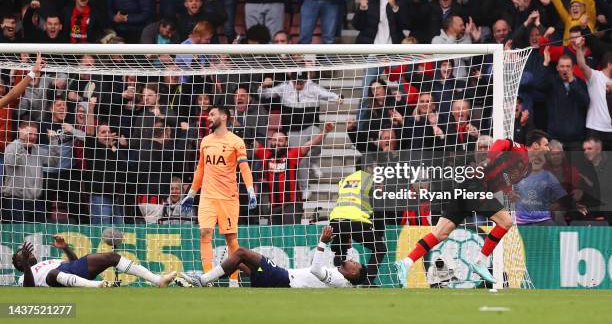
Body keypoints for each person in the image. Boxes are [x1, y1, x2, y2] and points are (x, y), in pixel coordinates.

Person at [395, 131, 551, 287]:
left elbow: (503, 179)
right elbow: (502, 143)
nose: (548, 149)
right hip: (475, 185)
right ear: (535, 146)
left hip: (471, 189)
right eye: (546, 145)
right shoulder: (520, 151)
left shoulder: (527, 169)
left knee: (441, 233)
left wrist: (508, 191)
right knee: (506, 222)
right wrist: (488, 159)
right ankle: (480, 262)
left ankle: (406, 262)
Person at [180, 105, 256, 287]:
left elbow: (244, 167)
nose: (208, 117)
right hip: (207, 196)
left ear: (223, 117)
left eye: (212, 114)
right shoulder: (205, 141)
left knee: (230, 238)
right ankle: (207, 279)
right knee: (205, 232)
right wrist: (192, 193)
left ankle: (233, 280)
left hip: (228, 197)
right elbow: (200, 169)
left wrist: (251, 190)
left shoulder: (236, 141)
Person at [181, 226, 367, 288]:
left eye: (355, 264)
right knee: (240, 264)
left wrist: (322, 241)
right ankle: (205, 281)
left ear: (353, 274)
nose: (352, 260)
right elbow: (339, 258)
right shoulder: (340, 275)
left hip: (282, 278)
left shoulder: (340, 280)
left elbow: (316, 269)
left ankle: (202, 281)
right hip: (279, 279)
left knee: (241, 253)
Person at [12, 236, 175, 288]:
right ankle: (97, 285)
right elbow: (29, 288)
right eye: (22, 254)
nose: (27, 253)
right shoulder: (23, 277)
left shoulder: (49, 260)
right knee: (54, 273)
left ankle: (158, 280)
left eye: (27, 251)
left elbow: (74, 265)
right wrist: (26, 264)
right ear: (19, 264)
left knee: (111, 256)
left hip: (69, 269)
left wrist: (65, 248)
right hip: (54, 279)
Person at [329, 170, 387, 285]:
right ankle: (367, 283)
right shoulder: (372, 181)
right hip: (356, 220)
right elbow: (379, 209)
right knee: (380, 248)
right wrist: (380, 234)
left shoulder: (346, 179)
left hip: (335, 220)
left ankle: (337, 279)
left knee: (340, 250)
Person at [575, 42, 612, 150]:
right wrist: (578, 49)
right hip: (595, 129)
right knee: (592, 164)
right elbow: (582, 65)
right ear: (610, 65)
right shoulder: (595, 76)